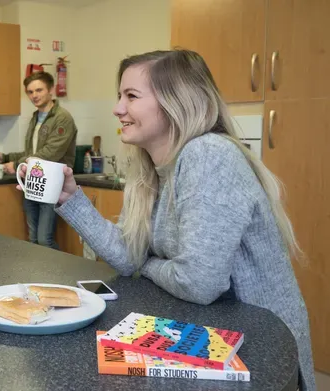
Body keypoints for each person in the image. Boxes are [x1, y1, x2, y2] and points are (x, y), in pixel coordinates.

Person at [19, 49, 316, 390]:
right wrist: (70, 199)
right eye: (120, 96)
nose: (117, 109)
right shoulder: (150, 169)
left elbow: (198, 284)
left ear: (176, 102)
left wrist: (147, 265)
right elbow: (128, 255)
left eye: (131, 96)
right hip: (209, 338)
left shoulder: (208, 155)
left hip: (258, 350)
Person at [0, 71, 77, 250]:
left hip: (52, 183)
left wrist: (17, 165)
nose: (34, 95)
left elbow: (50, 153)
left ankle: (60, 275)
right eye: (30, 92)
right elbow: (32, 152)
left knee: (44, 240)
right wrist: (7, 157)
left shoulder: (62, 118)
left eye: (39, 90)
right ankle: (37, 276)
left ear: (51, 90)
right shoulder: (36, 117)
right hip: (33, 181)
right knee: (33, 239)